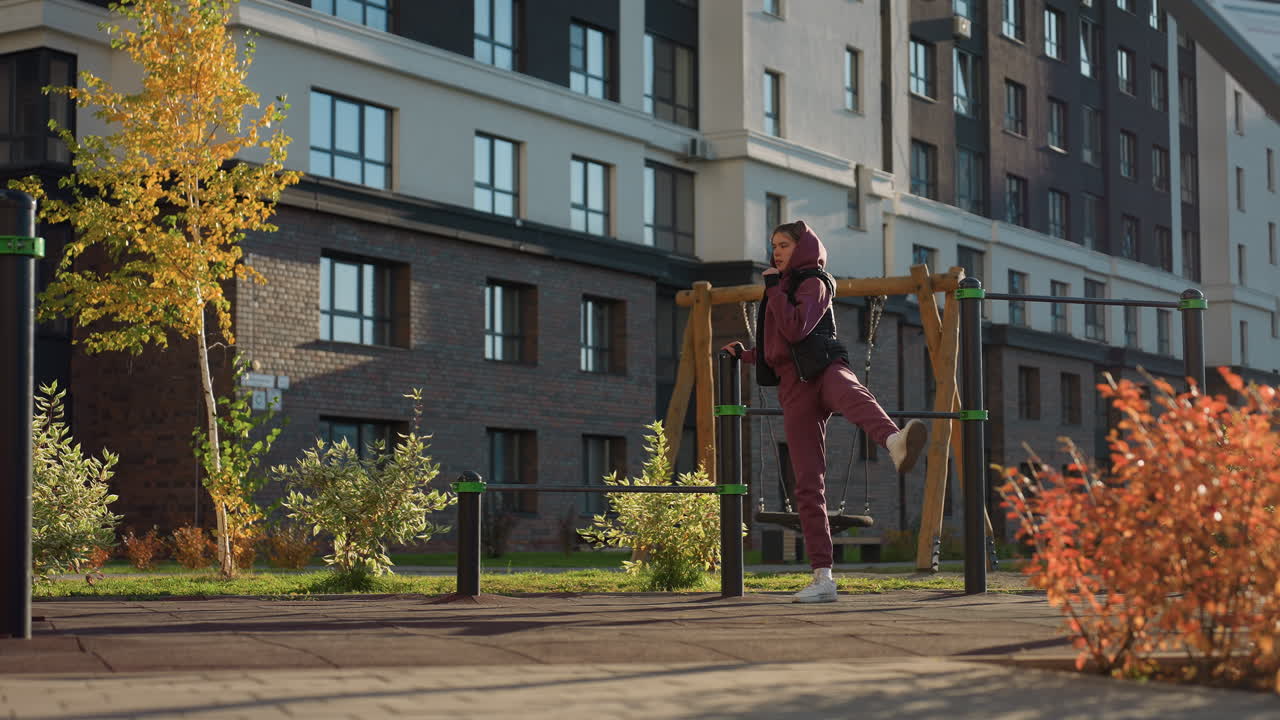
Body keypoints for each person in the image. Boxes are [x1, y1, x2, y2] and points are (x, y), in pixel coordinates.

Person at [722, 220, 927, 604]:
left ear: (802, 248)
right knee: (808, 483)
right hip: (794, 389)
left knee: (854, 395)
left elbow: (798, 329)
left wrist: (773, 291)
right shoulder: (779, 289)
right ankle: (823, 577)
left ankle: (895, 441)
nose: (777, 251)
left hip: (823, 371)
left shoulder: (814, 283)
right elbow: (775, 351)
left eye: (784, 244)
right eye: (774, 245)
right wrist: (745, 354)